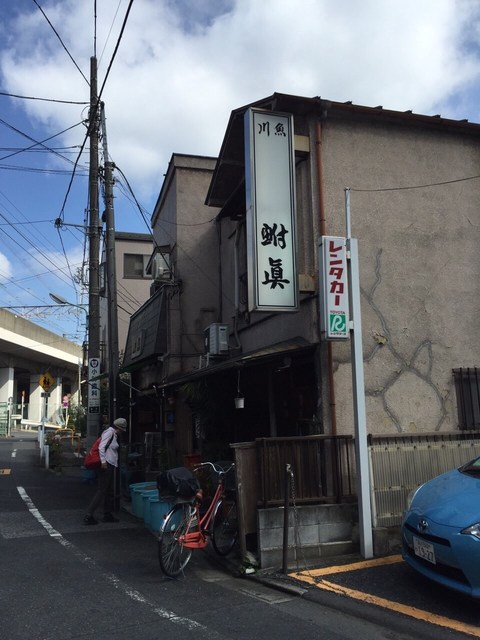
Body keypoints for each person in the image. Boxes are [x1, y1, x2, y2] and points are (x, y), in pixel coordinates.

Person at [83, 417, 127, 525]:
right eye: (122, 430)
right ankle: (89, 515)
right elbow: (101, 447)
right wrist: (103, 462)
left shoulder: (112, 433)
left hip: (109, 465)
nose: (122, 432)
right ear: (119, 428)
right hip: (105, 465)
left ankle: (107, 514)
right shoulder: (110, 433)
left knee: (108, 490)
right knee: (102, 490)